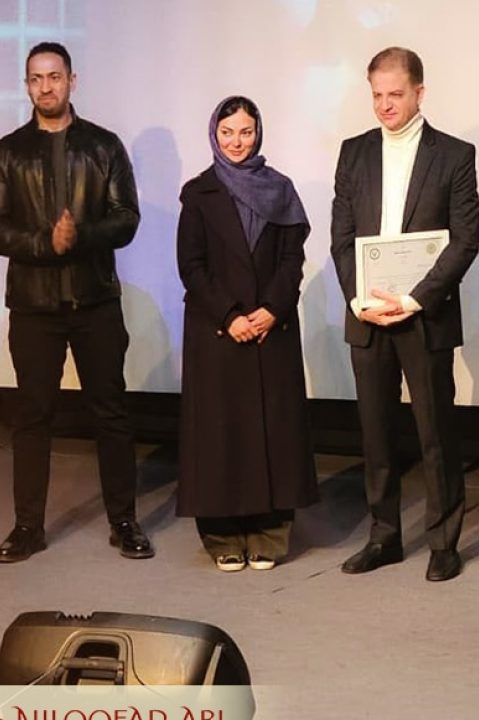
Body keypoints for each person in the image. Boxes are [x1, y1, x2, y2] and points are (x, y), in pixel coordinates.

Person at [0, 42, 153, 563]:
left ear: (73, 80)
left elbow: (127, 218)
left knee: (111, 412)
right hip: (33, 306)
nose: (46, 86)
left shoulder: (104, 146)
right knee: (33, 416)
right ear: (27, 85)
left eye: (55, 76)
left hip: (95, 301)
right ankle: (27, 526)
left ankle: (124, 521)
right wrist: (42, 244)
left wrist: (80, 238)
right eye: (36, 78)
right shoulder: (8, 151)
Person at [330, 47, 479, 582]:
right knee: (375, 433)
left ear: (420, 91)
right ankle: (384, 536)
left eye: (396, 94)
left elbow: (465, 241)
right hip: (368, 316)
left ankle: (443, 541)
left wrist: (414, 299)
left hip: (424, 315)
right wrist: (359, 299)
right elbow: (342, 239)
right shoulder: (353, 153)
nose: (385, 105)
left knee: (434, 431)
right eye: (377, 95)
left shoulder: (455, 155)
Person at [176, 96, 319, 572]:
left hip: (269, 330)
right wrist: (231, 315)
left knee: (272, 433)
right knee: (221, 434)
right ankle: (222, 536)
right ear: (214, 135)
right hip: (217, 331)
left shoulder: (281, 189)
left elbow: (291, 260)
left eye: (246, 132)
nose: (237, 142)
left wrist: (272, 310)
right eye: (228, 133)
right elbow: (191, 266)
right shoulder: (198, 193)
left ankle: (269, 534)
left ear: (259, 133)